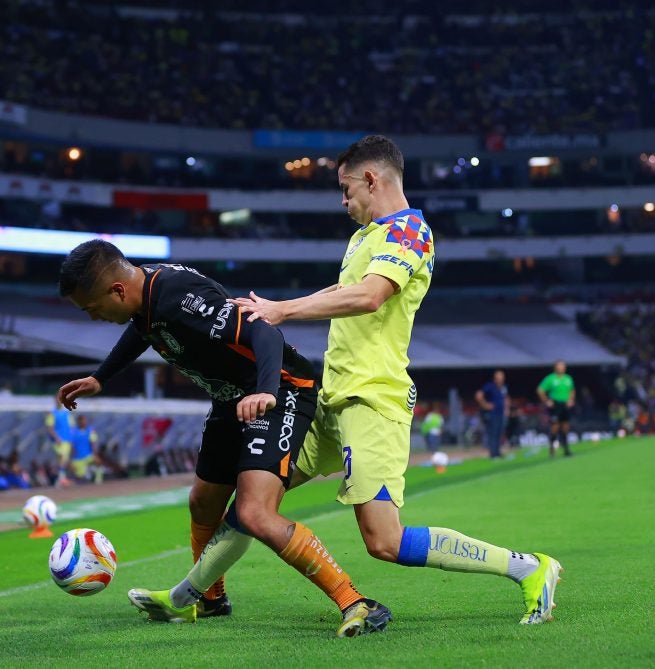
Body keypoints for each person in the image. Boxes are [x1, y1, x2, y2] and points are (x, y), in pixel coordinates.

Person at [172, 135, 561, 626]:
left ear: (371, 178)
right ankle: (186, 596)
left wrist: (282, 311)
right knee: (256, 499)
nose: (343, 199)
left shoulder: (411, 231)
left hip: (372, 400)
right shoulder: (364, 237)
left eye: (345, 186)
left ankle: (529, 568)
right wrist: (277, 306)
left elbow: (371, 296)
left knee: (384, 541)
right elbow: (343, 289)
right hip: (331, 398)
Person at [56, 239, 389, 637]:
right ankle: (210, 600)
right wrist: (101, 377)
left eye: (93, 309)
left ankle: (356, 603)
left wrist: (266, 390)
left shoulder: (179, 299)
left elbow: (262, 330)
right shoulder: (143, 294)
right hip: (231, 398)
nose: (94, 318)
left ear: (117, 290)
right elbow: (142, 329)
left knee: (254, 513)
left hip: (280, 391)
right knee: (203, 502)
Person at [537, 360, 576, 457]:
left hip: (565, 405)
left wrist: (571, 400)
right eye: (559, 366)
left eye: (563, 366)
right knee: (555, 427)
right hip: (555, 405)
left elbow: (572, 390)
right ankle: (552, 449)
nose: (562, 368)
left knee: (565, 426)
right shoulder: (551, 378)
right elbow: (540, 390)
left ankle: (566, 449)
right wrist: (547, 401)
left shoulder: (568, 378)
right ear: (555, 367)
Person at [476, 370, 510, 459]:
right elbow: (479, 395)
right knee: (493, 434)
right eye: (499, 377)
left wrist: (506, 408)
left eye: (502, 377)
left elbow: (505, 398)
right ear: (495, 378)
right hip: (492, 414)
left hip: (501, 413)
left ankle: (498, 452)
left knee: (499, 433)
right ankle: (493, 454)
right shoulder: (489, 386)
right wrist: (485, 405)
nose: (501, 379)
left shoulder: (503, 387)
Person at [45, 400, 74, 486]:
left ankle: (60, 478)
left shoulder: (67, 413)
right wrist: (56, 438)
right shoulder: (52, 413)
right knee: (61, 457)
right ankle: (61, 478)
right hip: (58, 441)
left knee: (64, 460)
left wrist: (72, 439)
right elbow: (50, 428)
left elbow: (71, 427)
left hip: (67, 440)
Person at [70, 414, 100, 482]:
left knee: (98, 461)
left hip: (88, 455)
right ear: (79, 422)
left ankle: (98, 477)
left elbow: (93, 442)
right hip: (78, 458)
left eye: (85, 421)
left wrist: (95, 454)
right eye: (82, 421)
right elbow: (71, 445)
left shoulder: (90, 430)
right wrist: (72, 458)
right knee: (79, 476)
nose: (84, 422)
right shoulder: (74, 431)